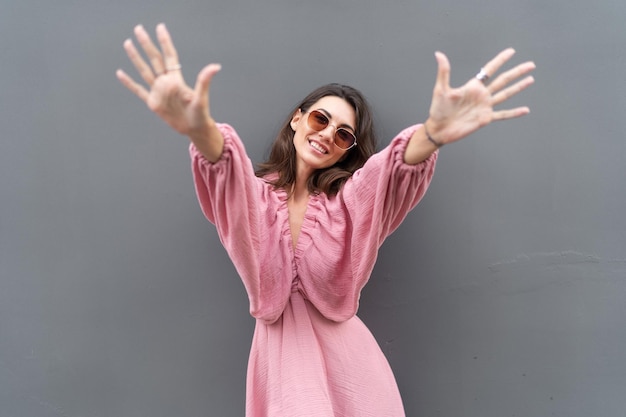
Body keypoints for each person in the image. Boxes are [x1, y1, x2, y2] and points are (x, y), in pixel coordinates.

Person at [116, 23, 535, 417]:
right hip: (280, 369)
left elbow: (389, 171)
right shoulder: (255, 195)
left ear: (347, 150)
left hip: (353, 375)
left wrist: (434, 133)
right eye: (321, 118)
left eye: (343, 134)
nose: (327, 134)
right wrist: (198, 128)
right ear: (298, 118)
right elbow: (226, 170)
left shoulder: (350, 202)